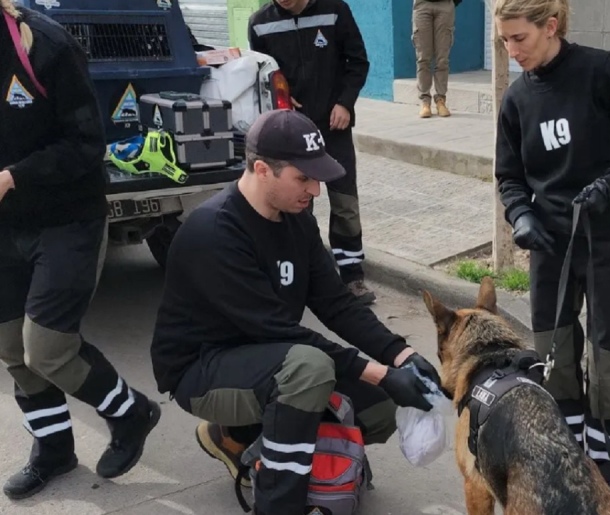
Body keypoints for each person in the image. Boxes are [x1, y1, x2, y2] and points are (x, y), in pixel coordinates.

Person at [149, 108, 443, 515]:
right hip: (202, 370)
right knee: (309, 369)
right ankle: (279, 503)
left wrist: (401, 356)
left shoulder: (297, 219)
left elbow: (336, 302)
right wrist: (379, 372)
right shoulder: (214, 231)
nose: (315, 191)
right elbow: (277, 331)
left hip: (267, 359)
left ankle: (238, 438)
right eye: (303, 179)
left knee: (383, 406)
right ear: (262, 169)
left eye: (317, 177)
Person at [492, 0, 610, 511]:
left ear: (551, 26)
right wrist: (520, 216)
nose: (512, 50)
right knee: (555, 361)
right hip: (549, 247)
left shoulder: (603, 72)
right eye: (504, 41)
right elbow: (510, 176)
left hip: (606, 239)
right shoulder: (517, 99)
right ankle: (566, 466)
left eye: (519, 38)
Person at [0, 1, 160, 500]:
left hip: (66, 218)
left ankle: (130, 412)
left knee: (47, 348)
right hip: (5, 226)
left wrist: (13, 176)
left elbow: (88, 144)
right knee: (10, 347)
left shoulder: (46, 46)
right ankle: (54, 449)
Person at [248, 0, 376, 305]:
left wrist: (345, 102)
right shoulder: (259, 22)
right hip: (292, 132)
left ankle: (352, 275)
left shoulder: (335, 10)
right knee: (296, 202)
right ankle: (301, 272)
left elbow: (357, 61)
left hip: (335, 124)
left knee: (344, 201)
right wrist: (282, 98)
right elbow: (262, 74)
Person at [411, 0, 461, 118]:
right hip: (422, 5)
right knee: (423, 58)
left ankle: (440, 100)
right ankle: (425, 102)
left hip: (445, 5)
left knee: (442, 59)